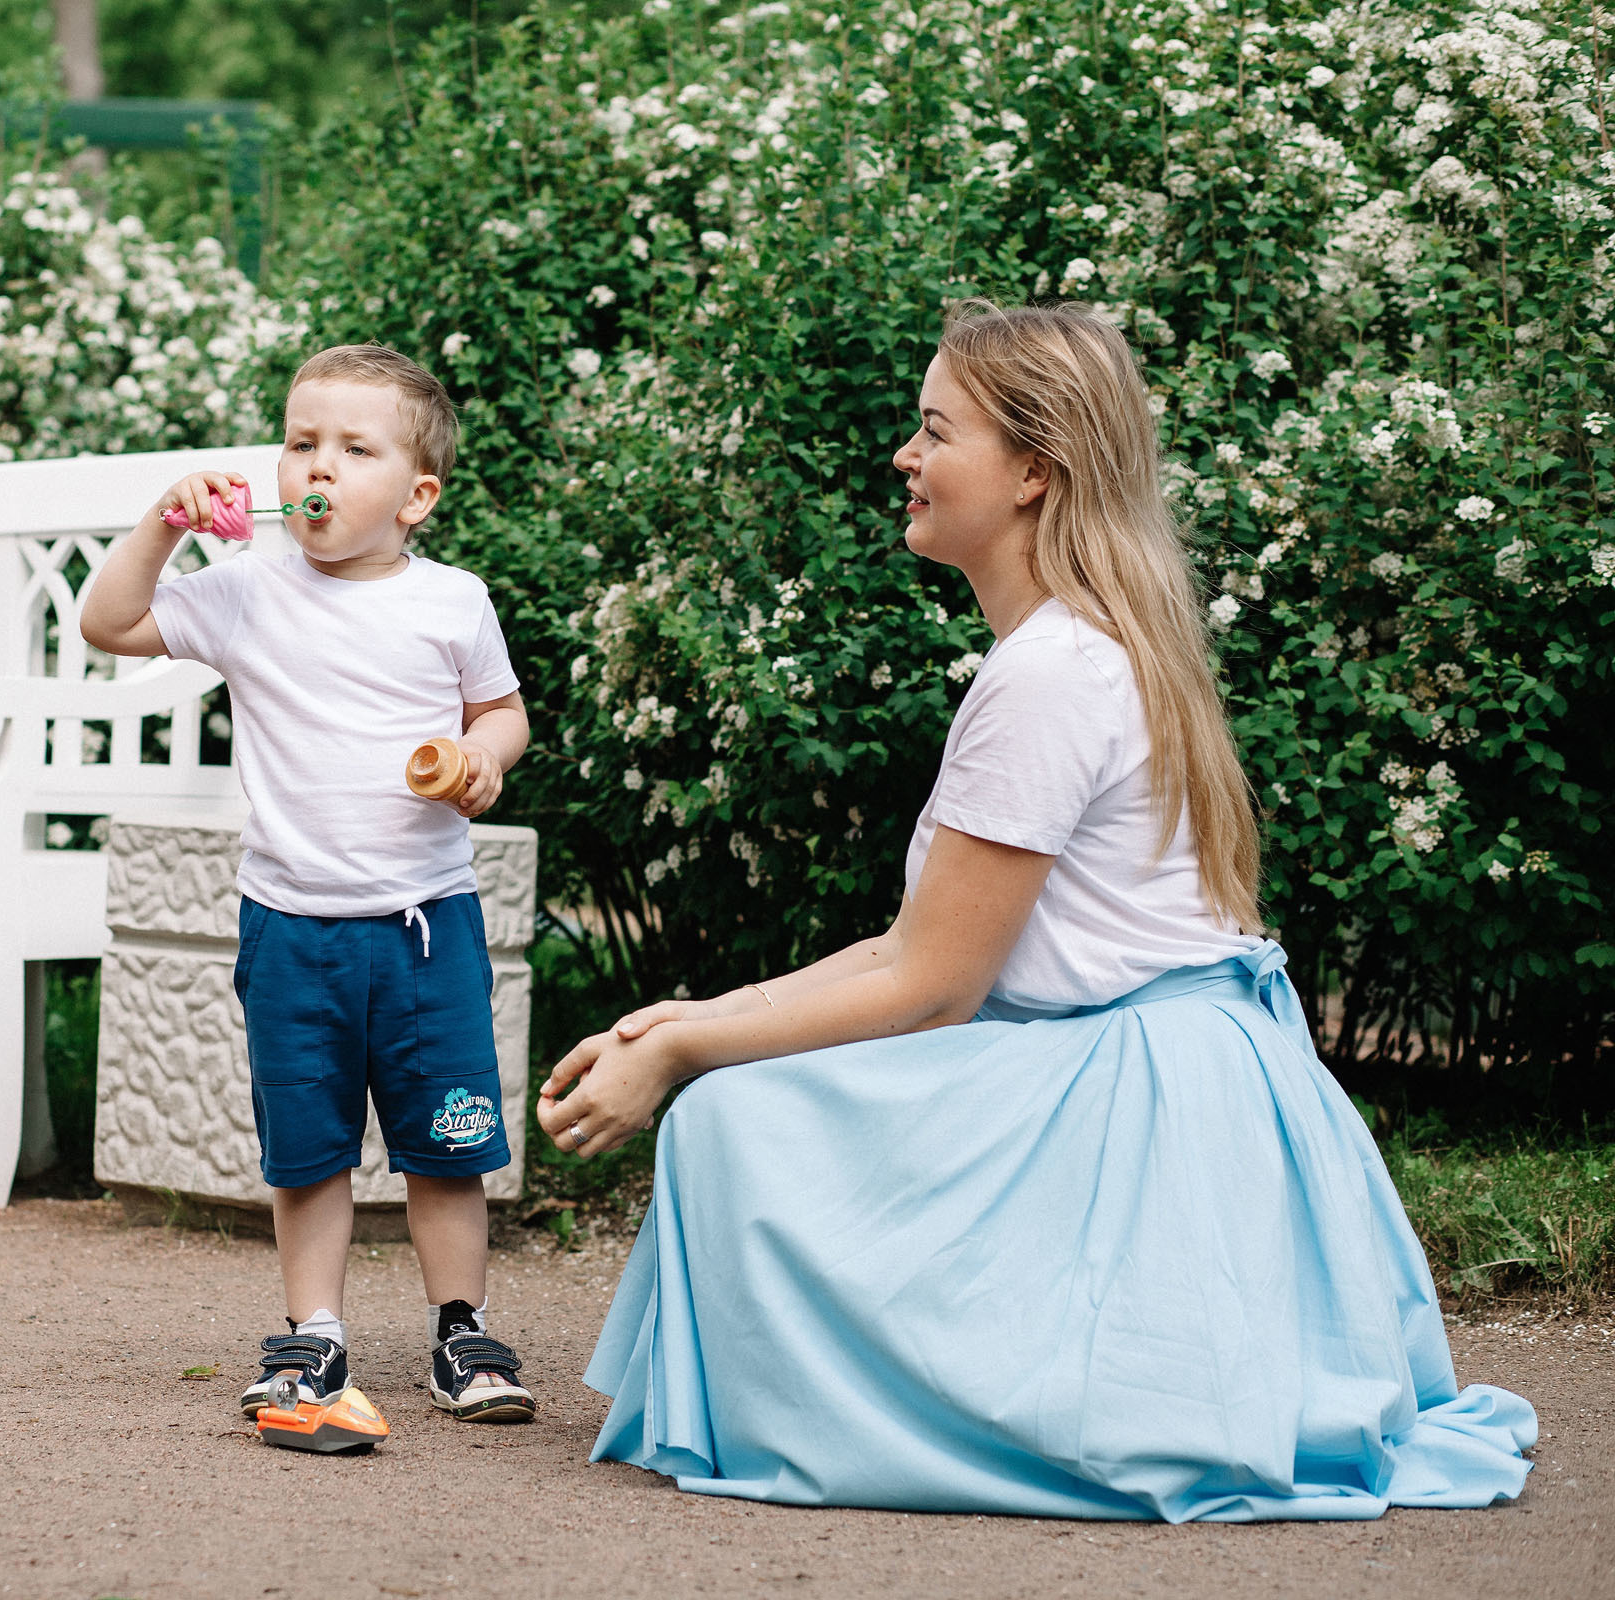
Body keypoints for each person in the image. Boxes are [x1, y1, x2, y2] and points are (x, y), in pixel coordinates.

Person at [535, 301, 1536, 1519]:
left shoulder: (1052, 673)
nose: (906, 457)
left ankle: (891, 1412)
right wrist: (686, 1014)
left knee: (734, 1124)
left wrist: (689, 1055)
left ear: (1031, 472)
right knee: (738, 1101)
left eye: (933, 429)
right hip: (1177, 1075)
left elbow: (933, 987)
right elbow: (913, 943)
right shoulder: (1086, 649)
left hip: (1140, 1102)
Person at [81, 343, 537, 1425]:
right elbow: (109, 624)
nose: (314, 467)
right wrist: (166, 525)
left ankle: (460, 1330)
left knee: (447, 1143)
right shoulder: (245, 591)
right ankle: (313, 1336)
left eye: (351, 447)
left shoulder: (453, 600)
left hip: (427, 926)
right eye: (299, 442)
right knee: (308, 1147)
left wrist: (487, 760)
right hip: (292, 928)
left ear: (417, 495)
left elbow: (501, 711)